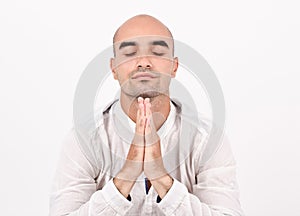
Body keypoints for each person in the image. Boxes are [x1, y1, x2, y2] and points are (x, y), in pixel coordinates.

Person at [49, 14, 244, 215]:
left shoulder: (207, 140)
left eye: (158, 52)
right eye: (130, 53)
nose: (143, 62)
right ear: (114, 69)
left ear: (174, 66)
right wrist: (125, 177)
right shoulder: (84, 140)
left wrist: (161, 179)